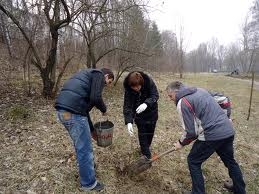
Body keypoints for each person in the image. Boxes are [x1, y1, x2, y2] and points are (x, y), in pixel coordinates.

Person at [166, 81, 246, 194]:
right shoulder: (200, 90)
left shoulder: (182, 102)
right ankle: (240, 190)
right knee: (230, 161)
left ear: (176, 92)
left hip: (211, 135)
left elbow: (191, 132)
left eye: (170, 96)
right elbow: (224, 99)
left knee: (193, 161)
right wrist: (226, 118)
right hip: (227, 131)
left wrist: (181, 143)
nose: (170, 99)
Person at [55, 68, 114, 191]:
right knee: (85, 150)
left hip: (63, 112)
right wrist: (104, 109)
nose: (106, 86)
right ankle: (88, 184)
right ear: (107, 76)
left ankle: (88, 169)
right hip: (73, 113)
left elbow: (84, 111)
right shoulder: (98, 74)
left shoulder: (86, 76)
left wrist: (92, 131)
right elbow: (96, 98)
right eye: (108, 82)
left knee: (81, 146)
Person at [123, 71, 159, 159]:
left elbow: (155, 95)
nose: (137, 88)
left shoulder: (148, 82)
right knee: (142, 134)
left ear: (142, 83)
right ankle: (146, 155)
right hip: (139, 115)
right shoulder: (128, 89)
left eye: (138, 86)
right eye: (134, 87)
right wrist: (129, 122)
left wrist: (146, 103)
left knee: (150, 133)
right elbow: (127, 106)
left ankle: (146, 147)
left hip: (152, 113)